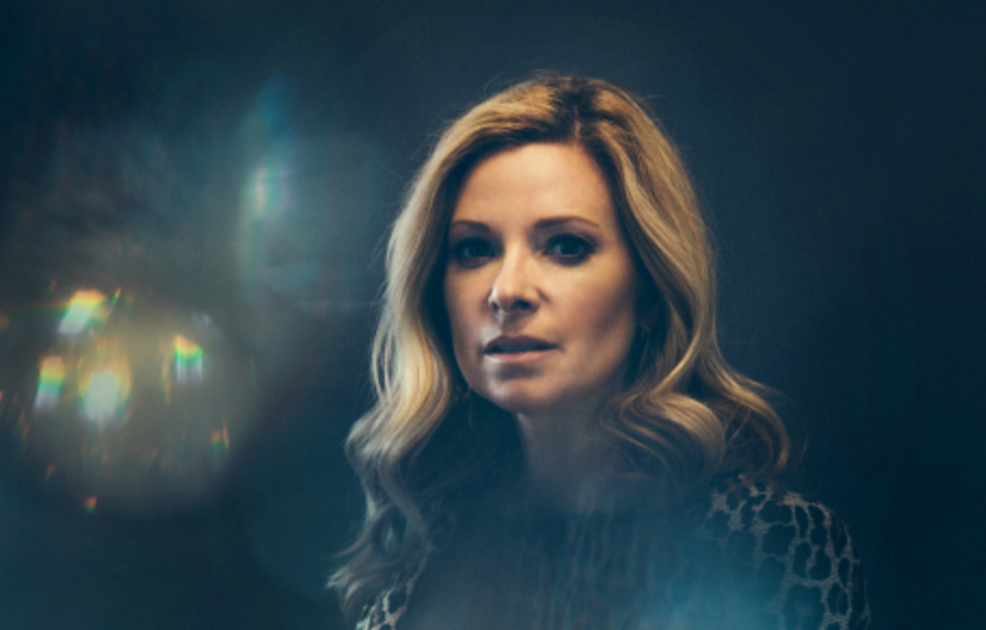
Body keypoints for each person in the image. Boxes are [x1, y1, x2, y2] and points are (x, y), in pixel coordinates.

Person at [330, 75, 869, 630]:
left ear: (651, 291)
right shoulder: (428, 548)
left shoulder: (765, 545)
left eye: (566, 246)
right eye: (474, 249)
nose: (507, 290)